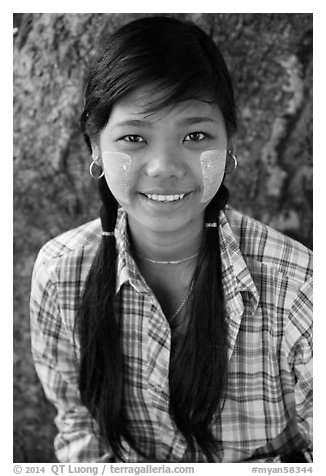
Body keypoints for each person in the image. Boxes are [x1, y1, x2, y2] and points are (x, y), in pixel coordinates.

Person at [30, 15, 312, 463]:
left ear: (229, 143)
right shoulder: (62, 272)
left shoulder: (299, 287)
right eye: (134, 138)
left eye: (195, 135)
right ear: (95, 148)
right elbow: (79, 422)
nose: (164, 165)